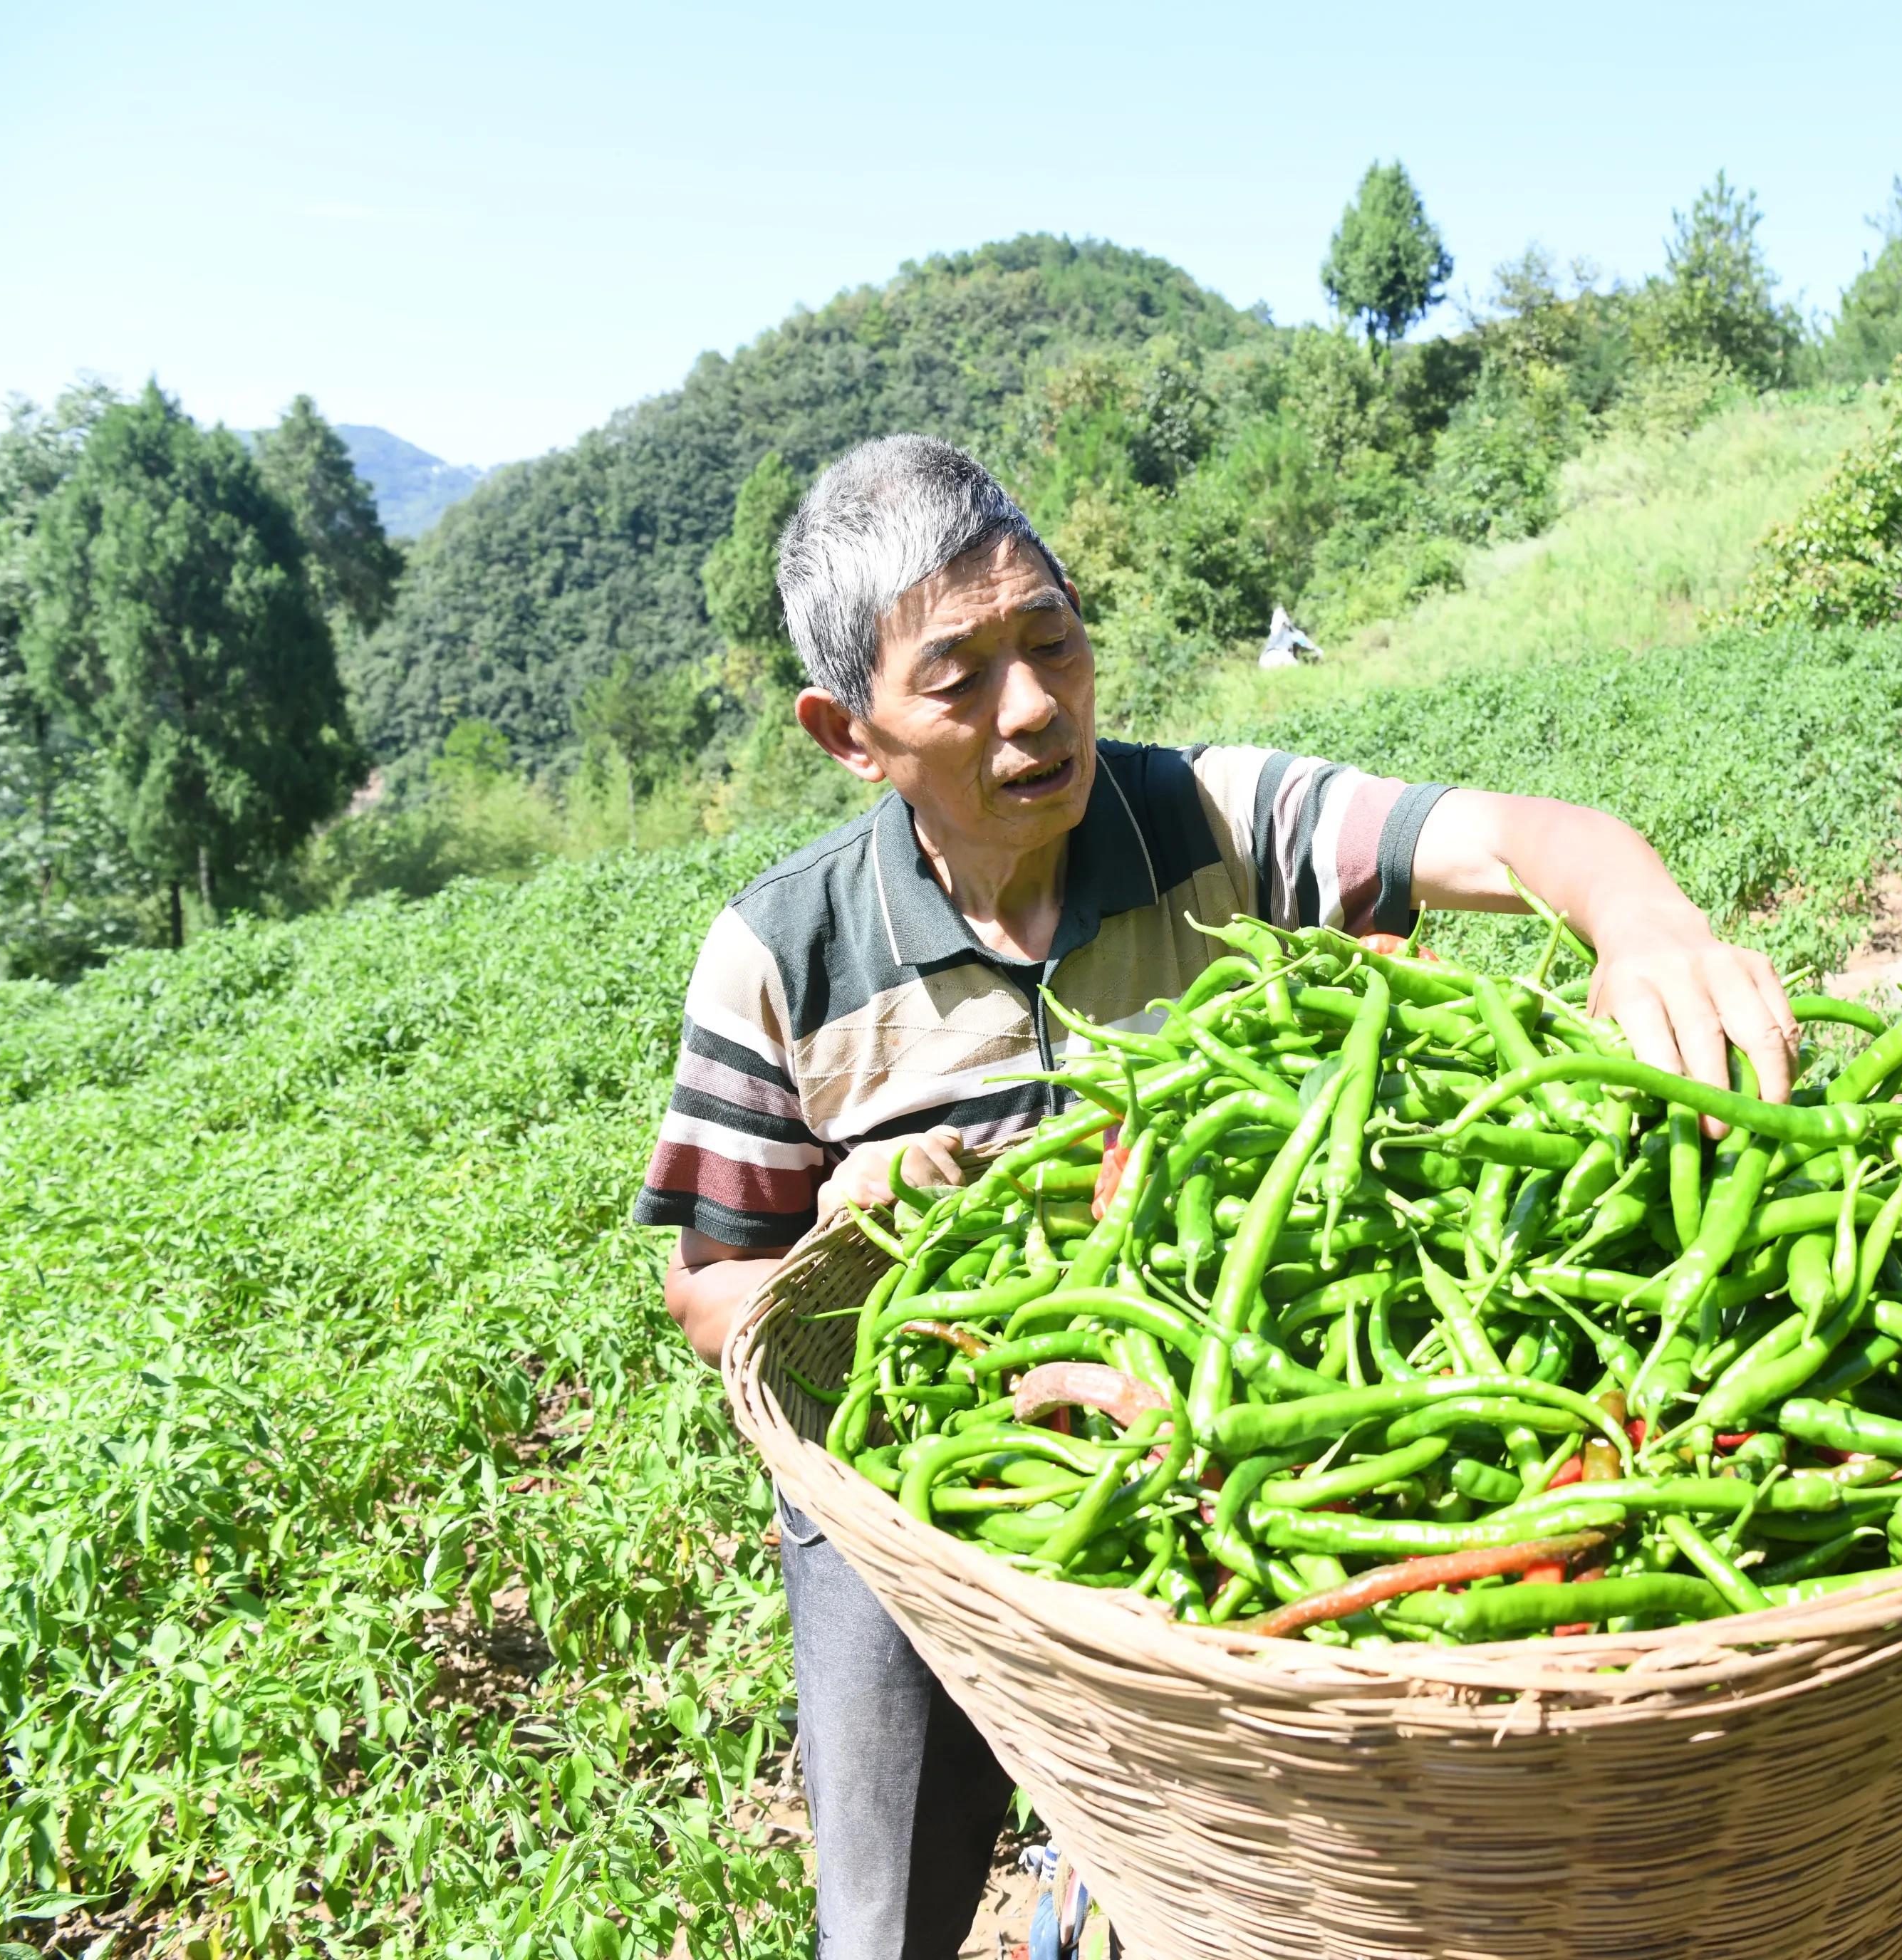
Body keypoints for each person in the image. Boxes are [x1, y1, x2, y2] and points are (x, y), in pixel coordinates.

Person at [636, 434, 1798, 1959]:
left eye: (1051, 638)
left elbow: (1519, 836)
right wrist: (850, 1244)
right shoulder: (783, 953)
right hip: (931, 1478)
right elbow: (709, 1285)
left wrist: (1642, 920)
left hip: (1235, 1422)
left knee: (1273, 1882)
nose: (1035, 704)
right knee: (881, 1928)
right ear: (848, 731)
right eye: (961, 675)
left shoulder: (1209, 822)